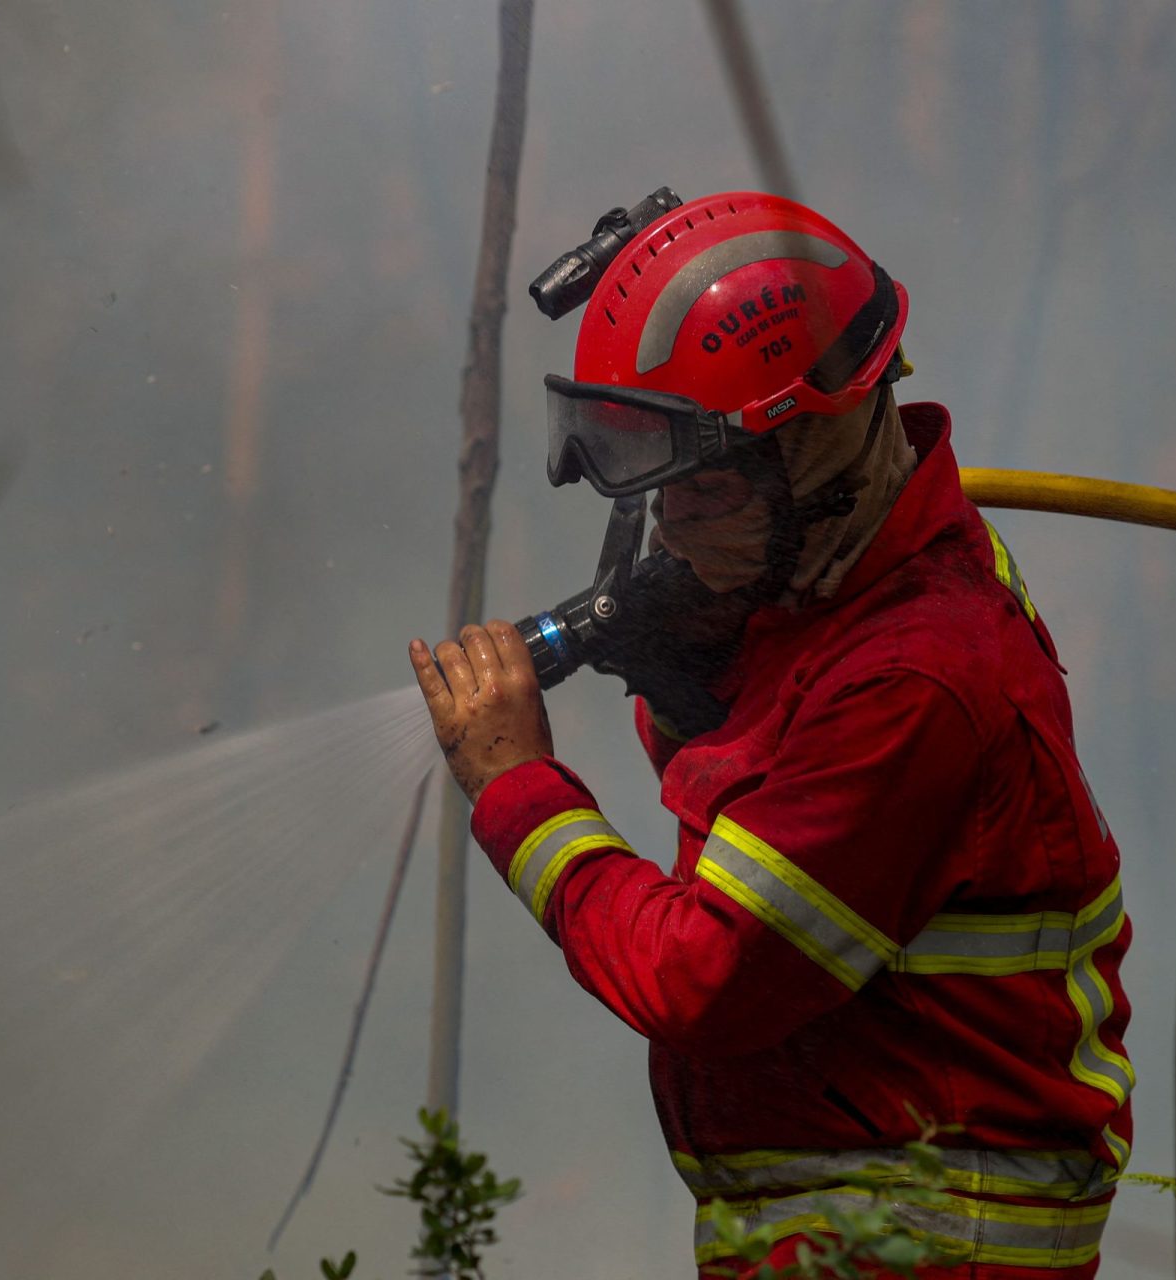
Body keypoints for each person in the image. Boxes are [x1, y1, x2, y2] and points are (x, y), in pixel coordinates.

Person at [408, 189, 1132, 1279]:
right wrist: (700, 685)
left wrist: (520, 789)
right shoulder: (847, 593)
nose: (670, 524)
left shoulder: (914, 675)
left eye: (700, 486)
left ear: (814, 445)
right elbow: (792, 818)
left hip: (931, 1244)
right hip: (860, 1224)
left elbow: (708, 976)